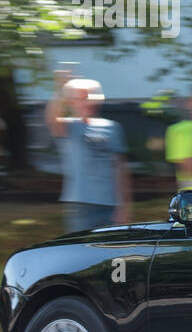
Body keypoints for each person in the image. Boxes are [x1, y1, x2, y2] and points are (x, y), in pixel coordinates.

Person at [44, 72, 131, 232]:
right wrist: (60, 89)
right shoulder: (70, 127)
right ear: (72, 102)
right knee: (81, 253)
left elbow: (119, 170)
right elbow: (51, 120)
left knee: (110, 254)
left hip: (110, 205)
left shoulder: (112, 127)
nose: (86, 102)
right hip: (80, 207)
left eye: (90, 96)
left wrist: (124, 206)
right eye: (80, 98)